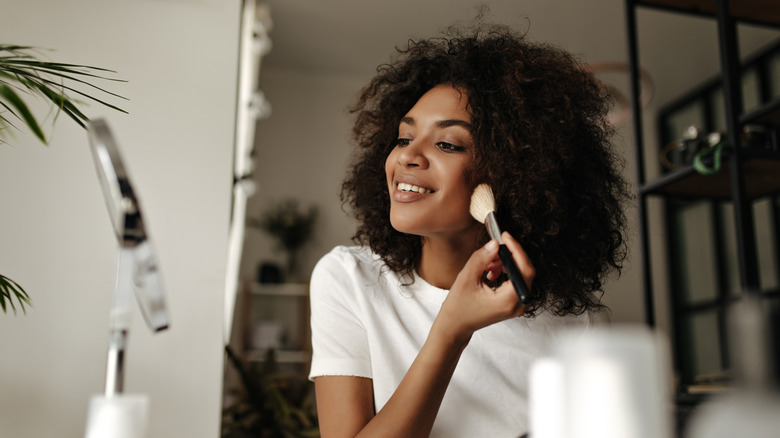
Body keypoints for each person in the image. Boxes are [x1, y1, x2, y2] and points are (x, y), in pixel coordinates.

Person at [308, 22, 631, 438]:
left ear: (514, 175)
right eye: (405, 137)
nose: (408, 156)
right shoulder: (349, 280)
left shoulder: (575, 326)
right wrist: (452, 329)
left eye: (448, 144)